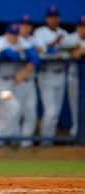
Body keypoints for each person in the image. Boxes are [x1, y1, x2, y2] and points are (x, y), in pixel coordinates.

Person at [0, 23, 40, 146]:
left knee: (4, 110)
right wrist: (22, 51)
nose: (13, 37)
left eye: (15, 34)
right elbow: (11, 55)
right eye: (11, 34)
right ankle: (7, 138)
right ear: (6, 34)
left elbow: (35, 58)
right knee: (13, 105)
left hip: (10, 84)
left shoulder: (21, 41)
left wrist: (25, 56)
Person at [33, 6, 71, 146]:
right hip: (46, 74)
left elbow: (72, 51)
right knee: (51, 112)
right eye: (51, 17)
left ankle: (48, 143)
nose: (53, 19)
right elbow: (41, 51)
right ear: (46, 19)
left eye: (56, 17)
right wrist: (55, 43)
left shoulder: (64, 33)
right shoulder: (40, 32)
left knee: (56, 114)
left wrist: (65, 52)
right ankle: (45, 141)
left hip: (60, 74)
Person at [17, 15, 38, 147]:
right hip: (16, 82)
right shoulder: (14, 39)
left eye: (27, 25)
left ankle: (25, 145)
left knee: (30, 113)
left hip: (29, 80)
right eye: (23, 25)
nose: (25, 28)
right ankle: (12, 142)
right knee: (15, 112)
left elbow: (36, 58)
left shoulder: (34, 40)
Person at [67, 16, 85, 137]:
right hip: (74, 77)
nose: (82, 29)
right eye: (80, 26)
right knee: (75, 109)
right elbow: (67, 52)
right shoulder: (71, 38)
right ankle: (75, 135)